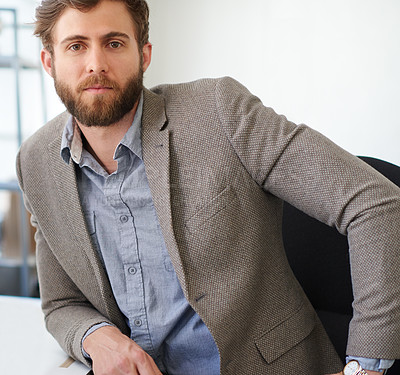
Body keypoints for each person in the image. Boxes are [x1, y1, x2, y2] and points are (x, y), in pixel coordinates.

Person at [16, 0, 400, 374]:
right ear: (49, 61)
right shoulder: (36, 161)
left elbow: (375, 203)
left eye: (114, 43)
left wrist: (364, 367)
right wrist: (95, 336)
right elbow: (62, 302)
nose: (95, 64)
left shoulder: (217, 111)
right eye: (76, 46)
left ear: (144, 54)